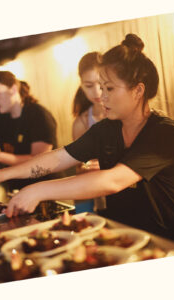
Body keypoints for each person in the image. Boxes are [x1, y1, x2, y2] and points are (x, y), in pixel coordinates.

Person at [0, 34, 174, 246]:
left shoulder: (163, 132)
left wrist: (38, 190)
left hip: (172, 240)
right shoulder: (107, 129)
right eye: (100, 87)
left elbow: (112, 181)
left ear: (138, 91)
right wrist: (3, 174)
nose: (101, 96)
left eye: (110, 88)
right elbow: (58, 158)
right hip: (124, 235)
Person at [72, 52, 106, 213]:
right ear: (81, 84)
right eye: (89, 86)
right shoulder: (82, 122)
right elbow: (79, 168)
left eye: (101, 84)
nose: (97, 92)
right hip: (98, 197)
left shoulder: (124, 113)